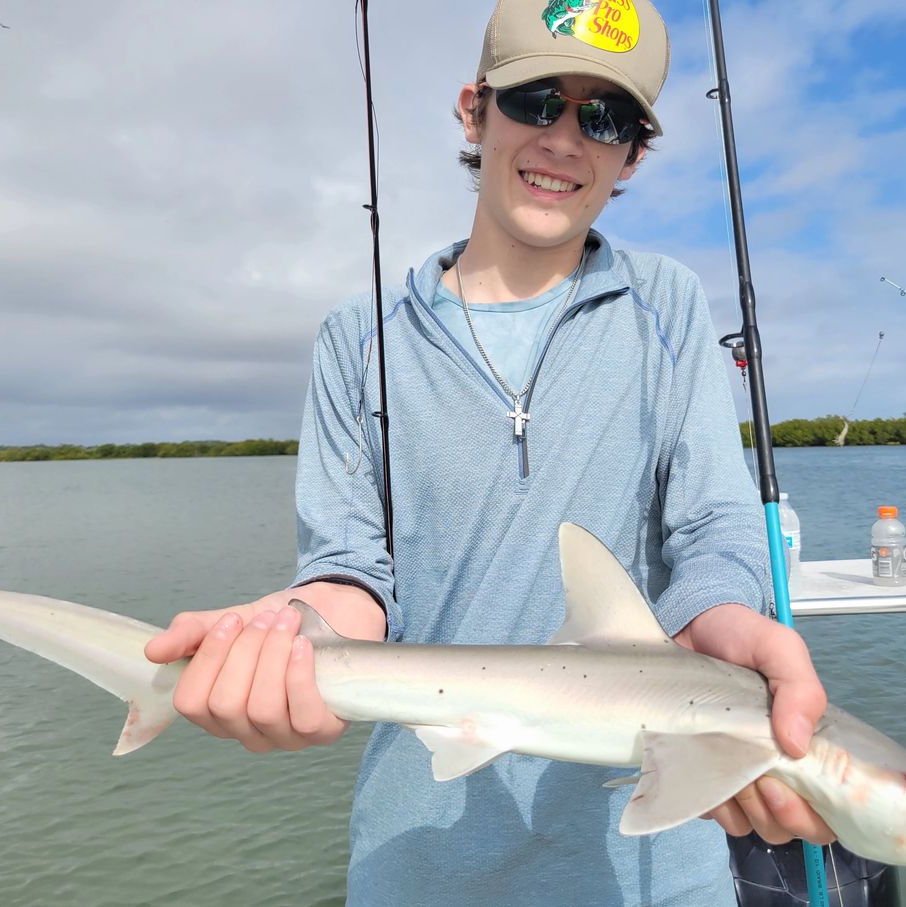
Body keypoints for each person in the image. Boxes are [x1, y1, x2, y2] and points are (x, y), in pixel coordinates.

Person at [145, 1, 833, 903]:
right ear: (474, 111)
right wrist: (287, 633)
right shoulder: (358, 338)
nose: (564, 139)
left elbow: (711, 522)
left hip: (655, 864)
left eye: (605, 117)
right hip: (415, 858)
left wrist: (719, 612)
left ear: (631, 152)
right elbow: (352, 568)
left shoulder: (664, 303)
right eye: (536, 100)